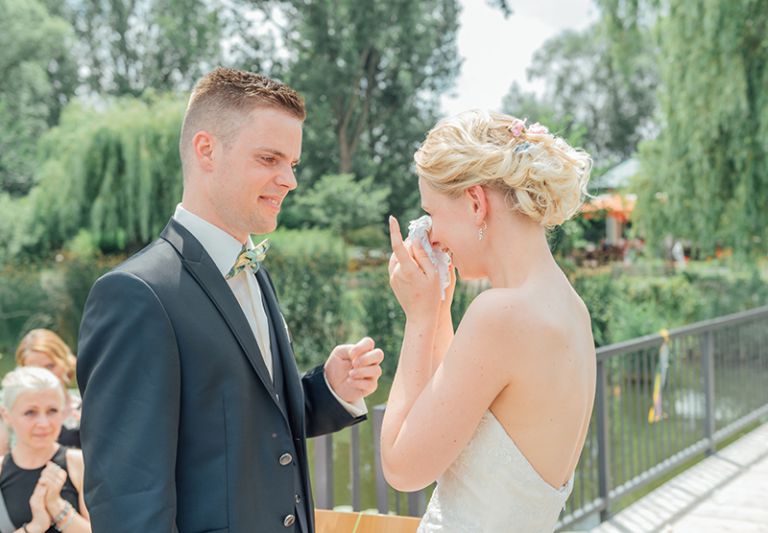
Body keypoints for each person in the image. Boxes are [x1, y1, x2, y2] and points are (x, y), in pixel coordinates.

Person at [76, 67, 384, 533]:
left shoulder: (255, 274)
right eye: (269, 159)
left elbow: (244, 423)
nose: (289, 181)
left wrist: (329, 391)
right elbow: (128, 498)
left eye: (292, 164)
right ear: (207, 150)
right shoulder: (135, 295)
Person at [380, 111, 596, 532]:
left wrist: (419, 318)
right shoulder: (570, 308)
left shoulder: (500, 314)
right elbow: (451, 417)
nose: (432, 234)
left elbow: (402, 468)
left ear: (476, 203)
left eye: (433, 214)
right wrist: (441, 304)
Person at [0, 367, 90, 533]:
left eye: (52, 411)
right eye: (30, 413)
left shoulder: (80, 464)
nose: (44, 423)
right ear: (6, 415)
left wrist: (57, 507)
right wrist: (35, 526)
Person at [15, 330, 81, 448]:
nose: (43, 375)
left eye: (50, 366)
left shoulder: (88, 405)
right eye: (34, 369)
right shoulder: (10, 412)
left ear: (65, 362)